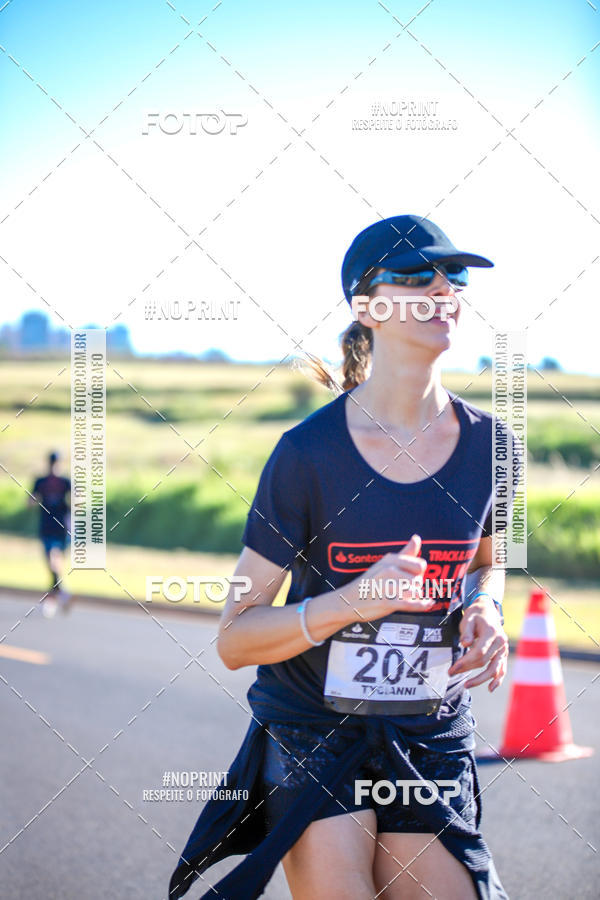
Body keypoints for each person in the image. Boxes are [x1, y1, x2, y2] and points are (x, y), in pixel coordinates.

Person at [169, 214, 516, 900]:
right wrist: (355, 600)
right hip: (315, 729)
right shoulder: (308, 453)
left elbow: (485, 562)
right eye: (418, 277)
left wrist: (486, 610)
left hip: (429, 730)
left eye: (456, 278)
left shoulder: (493, 447)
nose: (443, 291)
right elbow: (236, 638)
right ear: (369, 307)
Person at [30, 451, 71, 617]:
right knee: (53, 561)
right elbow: (30, 501)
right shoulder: (41, 482)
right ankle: (60, 593)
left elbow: (78, 501)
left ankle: (57, 595)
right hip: (47, 526)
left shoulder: (65, 481)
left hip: (62, 527)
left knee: (55, 563)